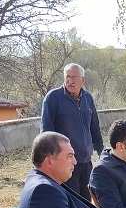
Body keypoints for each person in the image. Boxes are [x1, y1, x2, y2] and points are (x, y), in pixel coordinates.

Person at [40, 63, 104, 198]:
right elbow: (46, 132)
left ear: (83, 80)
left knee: (87, 202)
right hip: (65, 162)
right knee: (72, 202)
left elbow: (94, 127)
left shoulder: (88, 98)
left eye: (74, 77)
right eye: (67, 77)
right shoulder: (53, 98)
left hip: (86, 161)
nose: (70, 81)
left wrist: (100, 151)